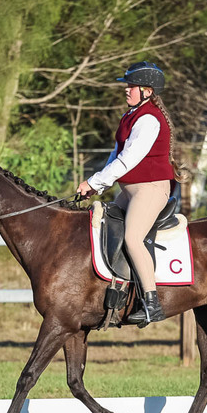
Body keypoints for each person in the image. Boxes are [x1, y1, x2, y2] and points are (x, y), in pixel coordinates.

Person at [76, 61, 184, 325]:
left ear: (147, 91)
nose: (126, 90)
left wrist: (93, 182)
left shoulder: (149, 120)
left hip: (151, 190)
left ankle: (151, 302)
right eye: (128, 85)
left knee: (133, 238)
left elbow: (128, 160)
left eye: (131, 86)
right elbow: (116, 156)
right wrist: (96, 185)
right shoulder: (130, 116)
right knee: (100, 225)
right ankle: (116, 292)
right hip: (129, 191)